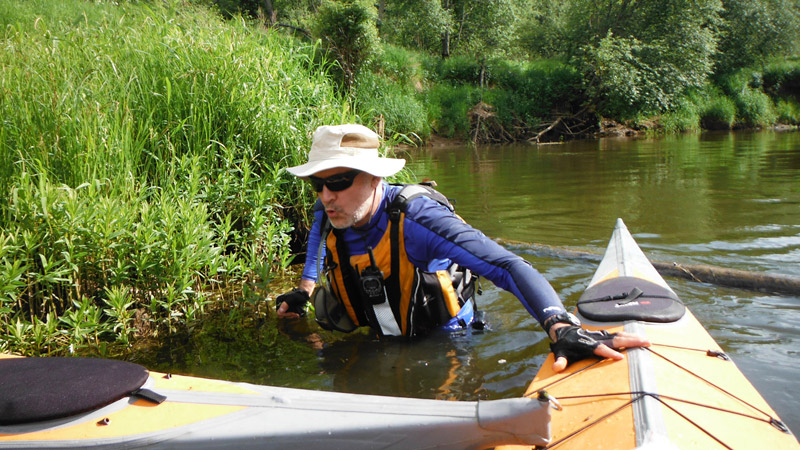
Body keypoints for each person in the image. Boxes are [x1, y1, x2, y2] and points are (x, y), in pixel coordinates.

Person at [276, 124, 649, 373]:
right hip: (380, 337)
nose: (327, 195)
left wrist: (560, 325)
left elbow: (506, 265)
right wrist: (304, 293)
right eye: (317, 184)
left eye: (339, 180)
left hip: (448, 341)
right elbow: (315, 250)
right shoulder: (330, 211)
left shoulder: (419, 221)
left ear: (376, 177)